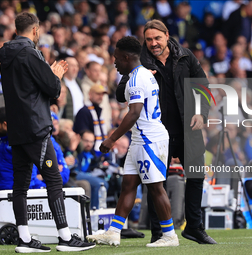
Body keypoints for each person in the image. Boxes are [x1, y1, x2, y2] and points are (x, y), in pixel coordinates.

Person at [0, 12, 95, 253]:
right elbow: (53, 89)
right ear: (35, 30)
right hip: (36, 126)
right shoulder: (31, 52)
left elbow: (28, 88)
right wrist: (55, 74)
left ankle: (25, 239)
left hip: (17, 128)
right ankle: (65, 237)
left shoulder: (5, 53)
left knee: (20, 187)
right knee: (53, 180)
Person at [116, 19, 216, 244]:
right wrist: (141, 79)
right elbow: (120, 93)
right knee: (155, 183)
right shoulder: (139, 61)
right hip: (157, 132)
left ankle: (194, 227)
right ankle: (159, 232)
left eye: (157, 38)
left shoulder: (186, 56)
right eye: (149, 39)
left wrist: (201, 113)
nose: (153, 43)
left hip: (188, 127)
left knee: (196, 175)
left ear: (167, 35)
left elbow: (204, 87)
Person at [86, 36, 179, 247]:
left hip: (149, 140)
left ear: (127, 57)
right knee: (128, 185)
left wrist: (111, 139)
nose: (115, 62)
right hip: (140, 139)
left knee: (156, 188)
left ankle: (169, 235)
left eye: (117, 58)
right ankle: (114, 231)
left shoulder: (137, 79)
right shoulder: (143, 74)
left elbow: (134, 112)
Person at [73, 84, 108, 154]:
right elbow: (83, 134)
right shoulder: (84, 111)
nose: (101, 97)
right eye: (98, 94)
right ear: (90, 94)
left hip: (98, 152)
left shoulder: (98, 112)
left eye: (102, 94)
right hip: (88, 152)